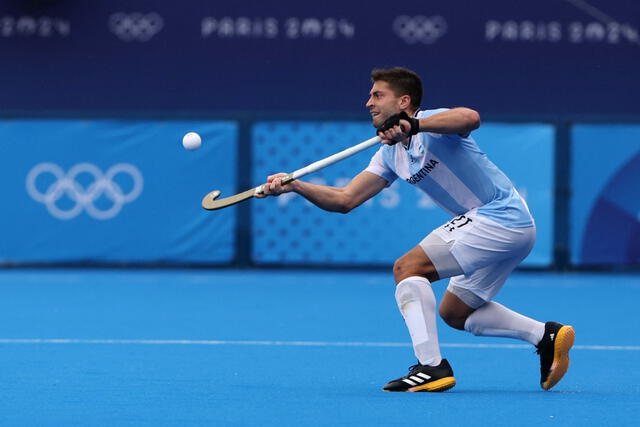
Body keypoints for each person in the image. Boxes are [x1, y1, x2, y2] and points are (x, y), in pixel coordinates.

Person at [257, 67, 575, 392]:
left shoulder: (432, 123)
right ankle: (545, 335)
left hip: (501, 217)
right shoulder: (389, 154)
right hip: (505, 229)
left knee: (408, 268)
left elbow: (470, 117)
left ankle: (432, 367)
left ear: (404, 101)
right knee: (456, 312)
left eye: (377, 95)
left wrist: (417, 124)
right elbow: (345, 199)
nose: (368, 102)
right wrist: (295, 186)